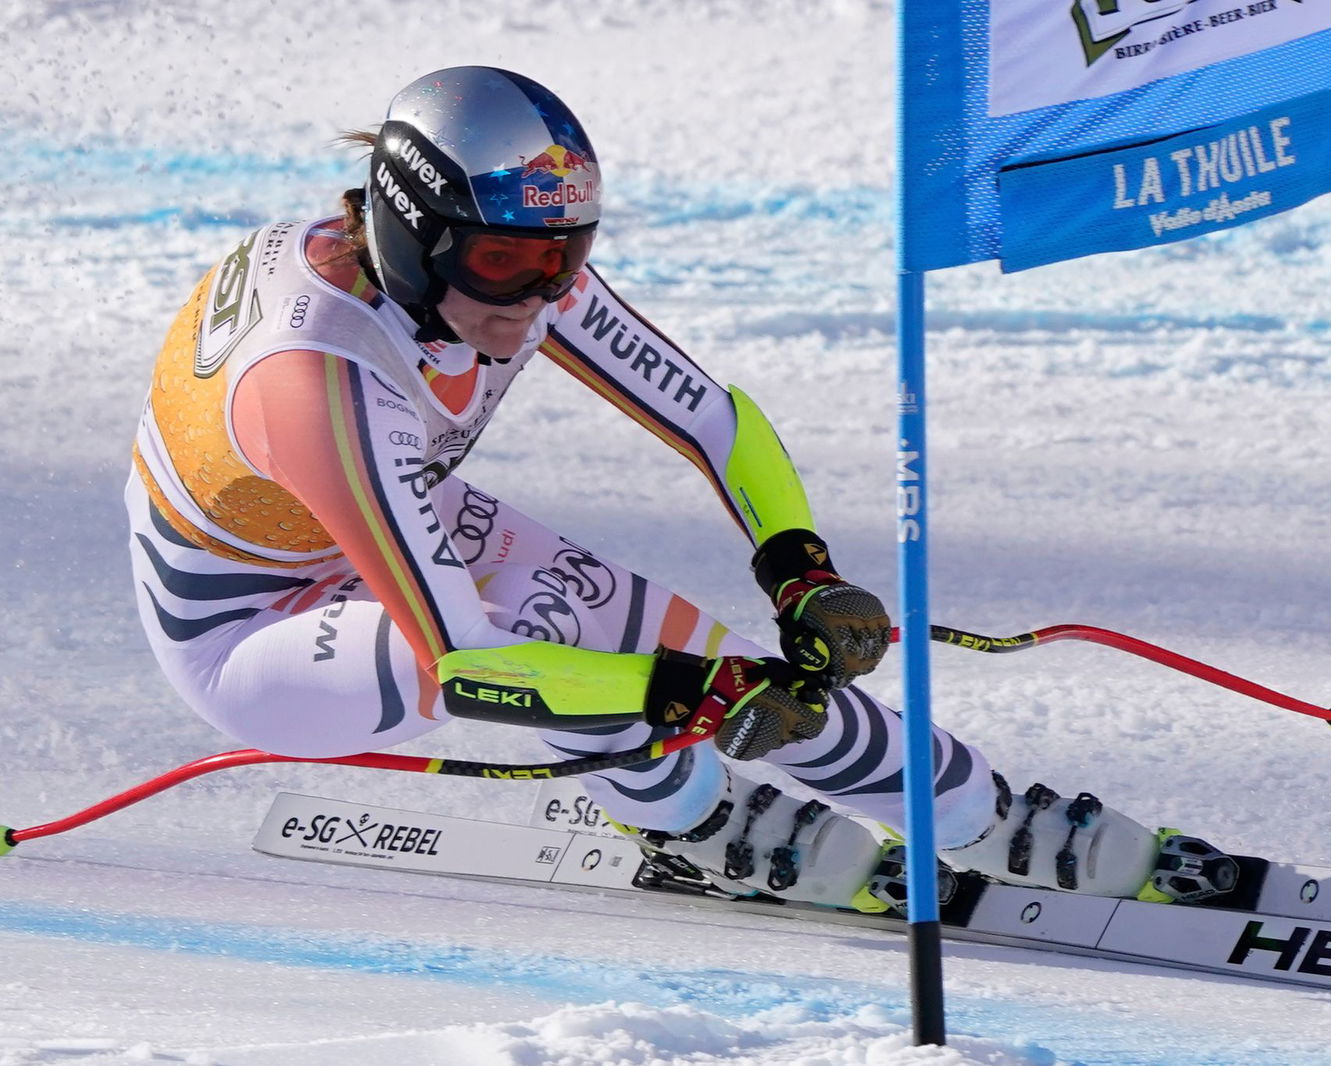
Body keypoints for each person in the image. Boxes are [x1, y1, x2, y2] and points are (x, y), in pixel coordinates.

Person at [127, 65, 1235, 911]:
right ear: (414, 233)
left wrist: (801, 571)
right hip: (251, 628)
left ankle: (980, 812)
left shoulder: (494, 250)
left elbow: (713, 419)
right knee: (588, 652)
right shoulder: (319, 377)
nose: (542, 294)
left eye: (567, 255)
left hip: (369, 510)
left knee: (680, 642)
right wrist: (687, 699)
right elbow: (465, 668)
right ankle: (703, 825)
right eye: (509, 266)